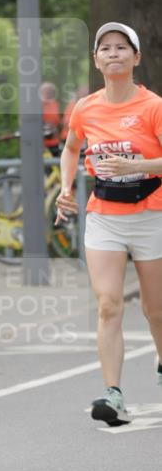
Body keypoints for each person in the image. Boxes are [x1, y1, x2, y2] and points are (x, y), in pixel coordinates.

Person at [56, 22, 162, 426]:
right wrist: (66, 187)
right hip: (104, 215)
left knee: (156, 310)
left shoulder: (153, 106)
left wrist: (137, 165)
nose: (113, 53)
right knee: (108, 304)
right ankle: (113, 393)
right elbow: (71, 149)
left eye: (121, 47)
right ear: (96, 60)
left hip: (152, 213)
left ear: (136, 58)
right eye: (106, 48)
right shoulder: (86, 108)